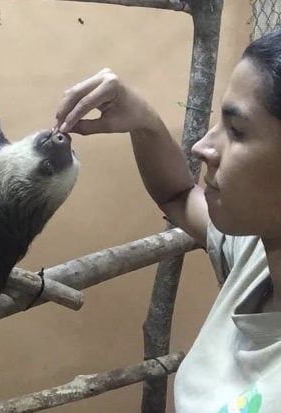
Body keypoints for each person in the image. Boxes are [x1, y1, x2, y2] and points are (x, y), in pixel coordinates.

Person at [55, 28, 281, 412]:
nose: (203, 147)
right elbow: (177, 196)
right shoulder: (258, 255)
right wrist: (144, 121)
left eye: (237, 131)